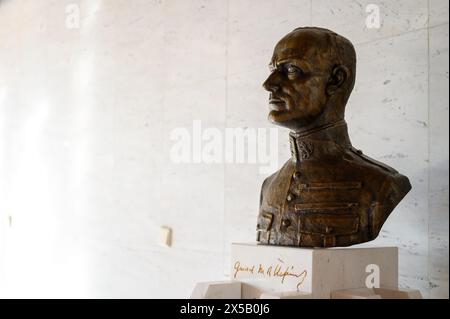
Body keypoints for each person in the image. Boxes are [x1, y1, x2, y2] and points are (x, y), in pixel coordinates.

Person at [256, 27, 411, 248]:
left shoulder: (381, 185)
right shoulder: (269, 187)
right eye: (273, 70)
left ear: (336, 80)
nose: (269, 84)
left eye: (291, 70)